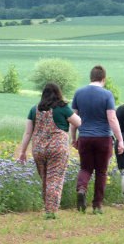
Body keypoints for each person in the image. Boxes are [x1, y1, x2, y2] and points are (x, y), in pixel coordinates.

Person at [16, 83, 81, 219]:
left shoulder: (34, 110)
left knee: (45, 179)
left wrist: (22, 152)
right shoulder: (63, 108)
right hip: (57, 149)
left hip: (39, 149)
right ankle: (51, 212)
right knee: (54, 180)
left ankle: (48, 208)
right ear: (58, 94)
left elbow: (28, 132)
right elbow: (78, 123)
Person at [70, 65, 124, 214]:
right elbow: (112, 118)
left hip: (85, 137)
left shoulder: (78, 93)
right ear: (103, 79)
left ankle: (81, 189)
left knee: (85, 168)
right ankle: (97, 205)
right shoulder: (107, 95)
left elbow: (74, 118)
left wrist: (73, 138)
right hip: (103, 138)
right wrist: (120, 139)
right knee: (101, 172)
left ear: (91, 77)